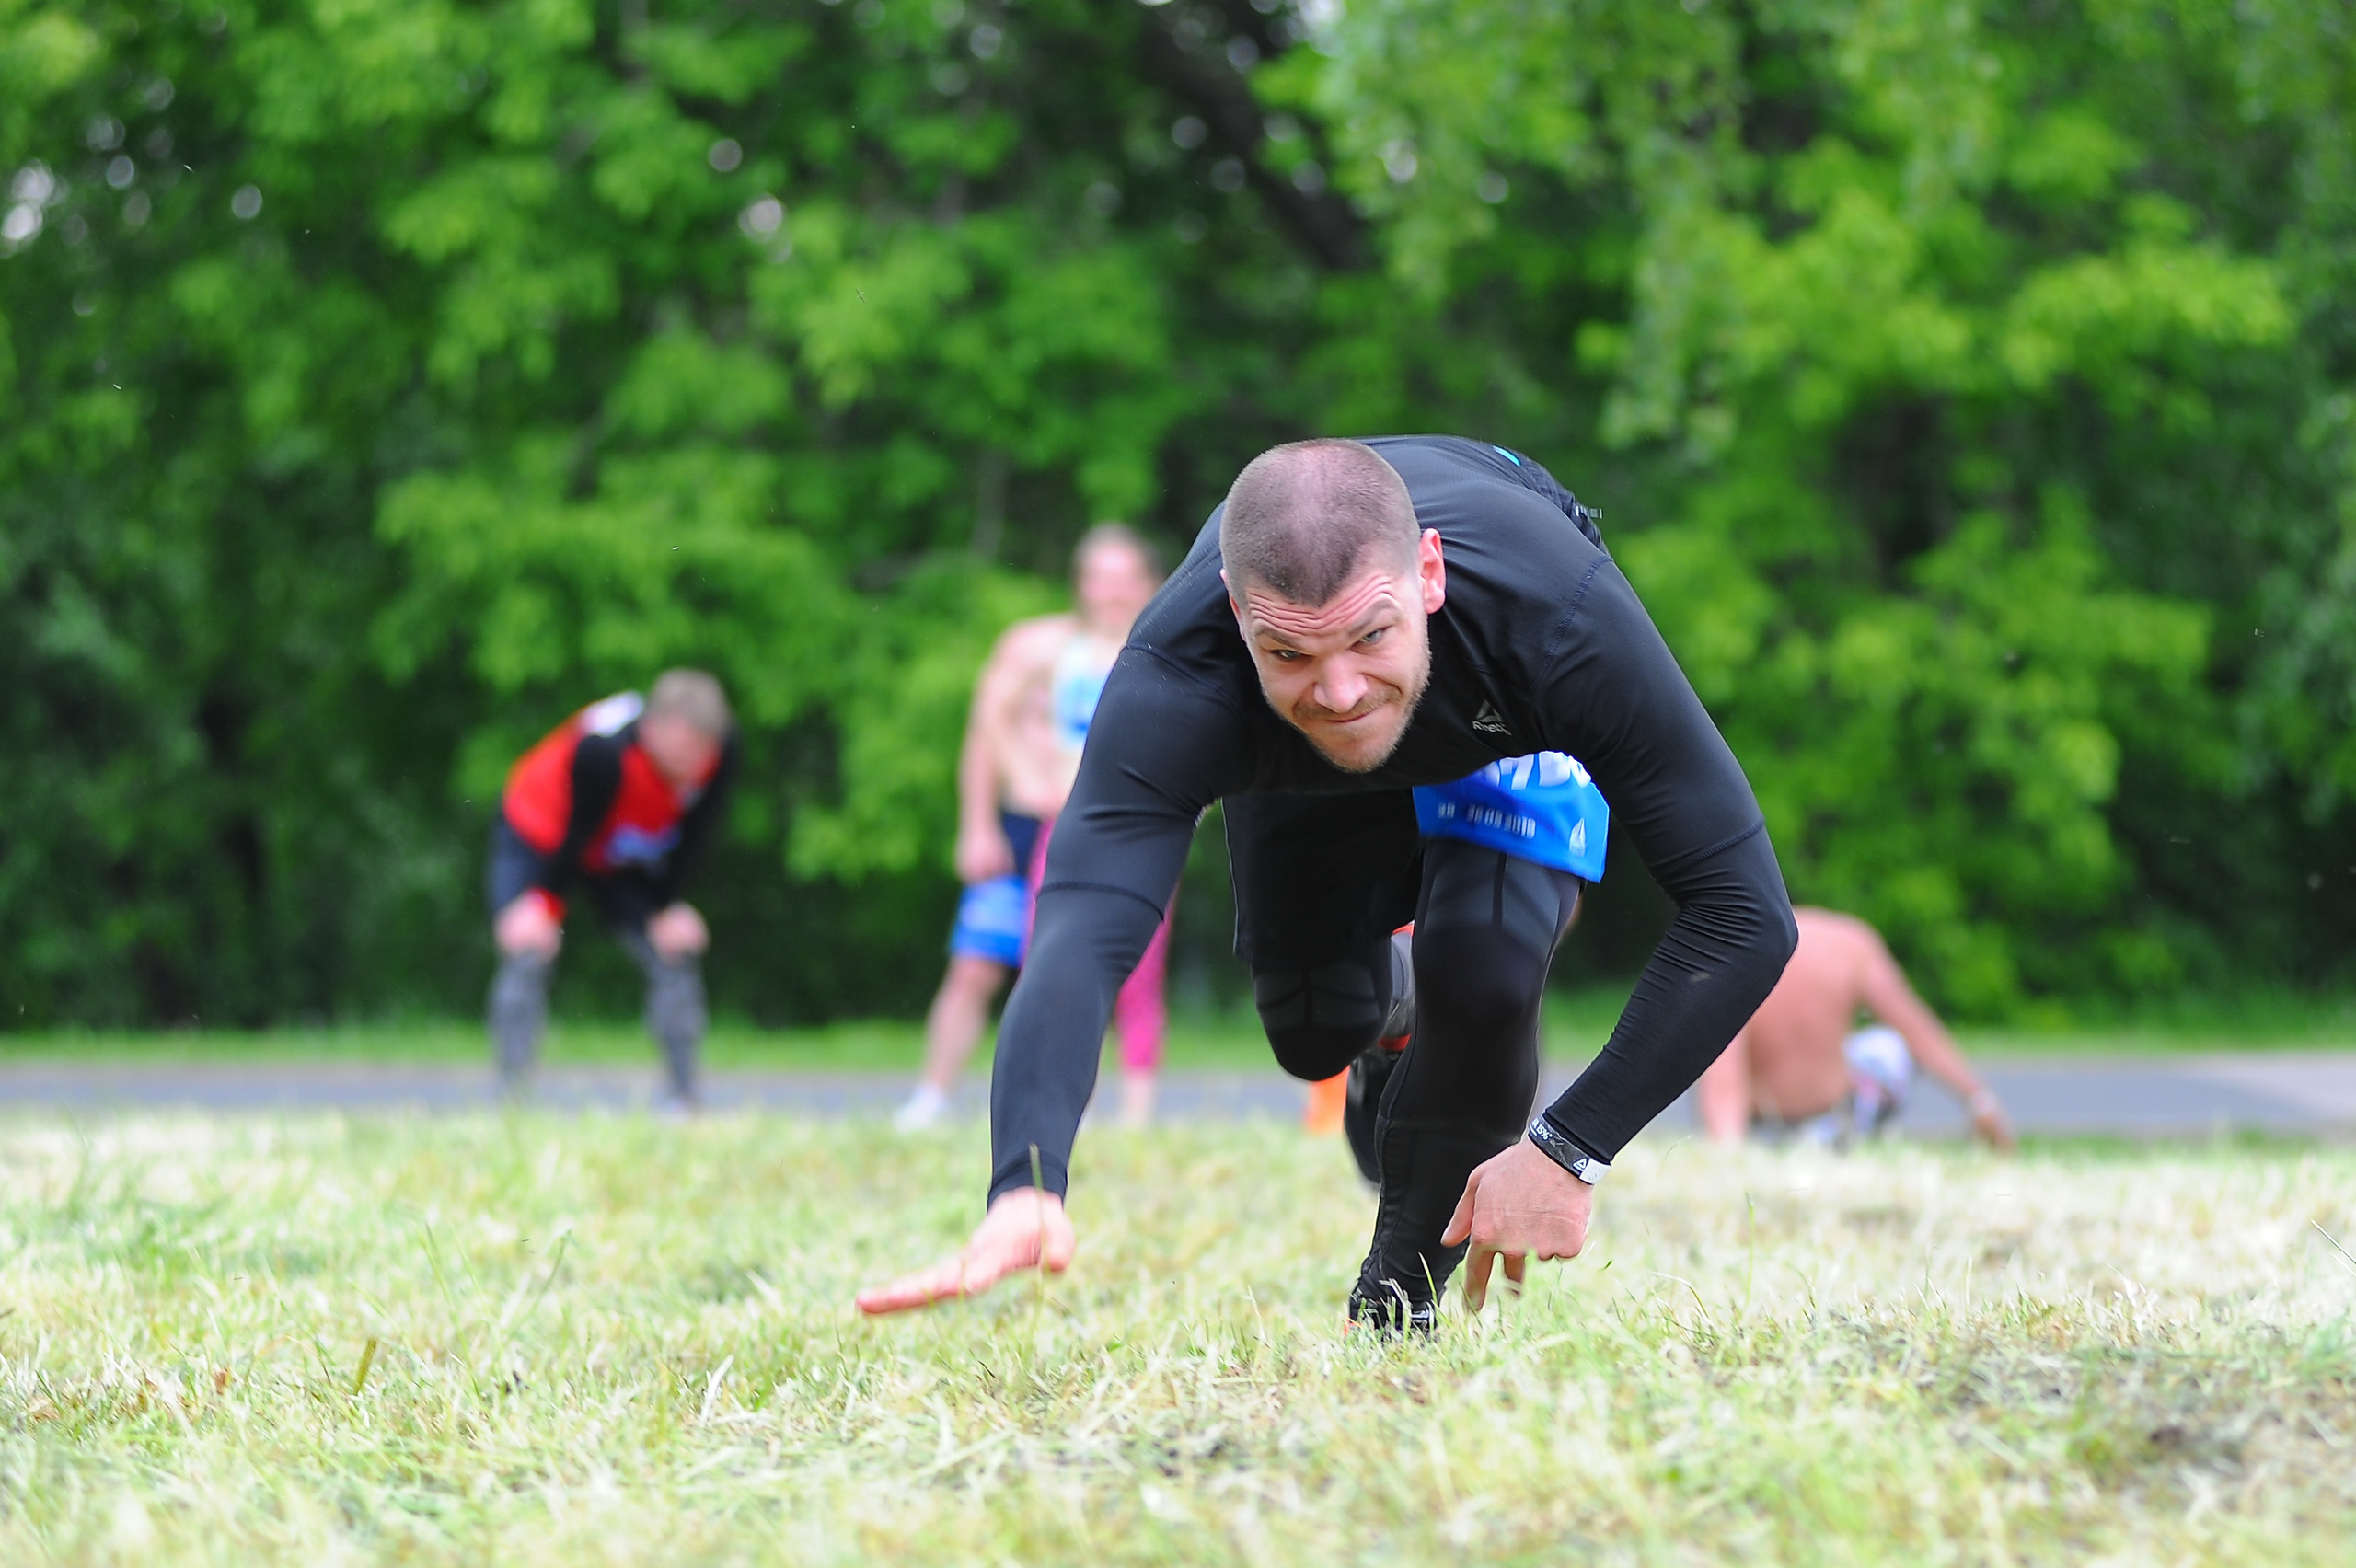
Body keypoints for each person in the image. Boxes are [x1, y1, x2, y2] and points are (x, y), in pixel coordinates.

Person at [858, 436, 1798, 1331]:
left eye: (1368, 635)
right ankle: (1394, 1021)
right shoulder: (1181, 677)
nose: (1341, 691)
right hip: (1296, 755)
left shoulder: (1555, 620)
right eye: (1291, 654)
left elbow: (1743, 914)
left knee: (1484, 971)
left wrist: (1568, 1149)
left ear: (1427, 574)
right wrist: (1026, 1181)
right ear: (1235, 613)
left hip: (1493, 710)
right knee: (1313, 1028)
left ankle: (1392, 1318)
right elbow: (1082, 923)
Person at [894, 525, 1173, 1132]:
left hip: (1108, 830)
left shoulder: (1165, 650)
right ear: (1079, 584)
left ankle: (1096, 1106)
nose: (1110, 592)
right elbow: (985, 725)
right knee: (977, 964)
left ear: (1149, 584)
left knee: (1105, 969)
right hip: (1027, 824)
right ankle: (933, 1094)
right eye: (1098, 577)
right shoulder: (1038, 645)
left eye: (1124, 579)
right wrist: (978, 824)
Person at [487, 670, 739, 1110]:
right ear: (651, 730)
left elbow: (698, 835)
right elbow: (576, 837)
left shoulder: (722, 752)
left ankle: (686, 1101)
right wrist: (541, 904)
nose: (690, 771)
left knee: (671, 949)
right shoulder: (603, 751)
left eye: (700, 757)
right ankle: (512, 1101)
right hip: (544, 835)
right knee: (528, 948)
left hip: (618, 847)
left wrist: (666, 905)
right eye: (680, 755)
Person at [1696, 907, 2016, 1150]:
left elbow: (1724, 1072)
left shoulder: (1736, 951)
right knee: (1886, 1048)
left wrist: (1727, 1150)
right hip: (1835, 1125)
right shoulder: (1848, 944)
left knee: (1702, 1044)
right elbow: (1916, 1032)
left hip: (1763, 1131)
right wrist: (1978, 1099)